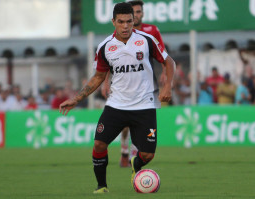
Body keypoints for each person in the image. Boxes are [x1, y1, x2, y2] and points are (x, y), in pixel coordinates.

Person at [59, 2, 175, 194]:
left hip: (144, 105)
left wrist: (168, 85)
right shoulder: (105, 46)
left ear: (134, 20)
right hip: (116, 105)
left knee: (147, 154)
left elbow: (168, 61)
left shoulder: (146, 40)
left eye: (129, 21)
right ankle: (101, 186)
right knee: (98, 144)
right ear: (113, 22)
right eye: (121, 22)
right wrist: (77, 98)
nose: (125, 26)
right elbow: (98, 76)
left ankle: (135, 163)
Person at [102, 0, 167, 167]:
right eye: (134, 12)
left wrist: (165, 74)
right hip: (123, 88)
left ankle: (133, 155)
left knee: (139, 128)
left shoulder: (151, 31)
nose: (136, 15)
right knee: (124, 127)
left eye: (138, 12)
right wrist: (106, 82)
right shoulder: (119, 34)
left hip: (146, 86)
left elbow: (164, 55)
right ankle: (124, 151)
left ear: (141, 14)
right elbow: (112, 60)